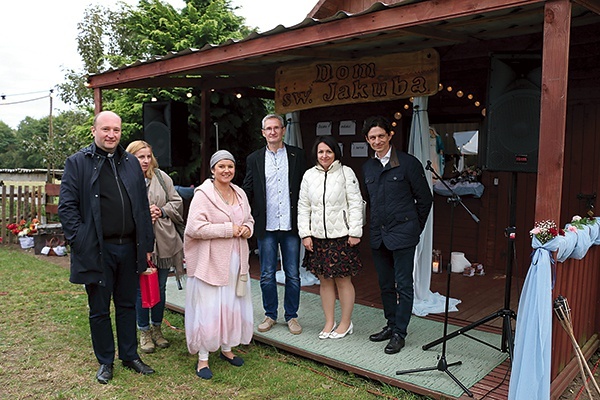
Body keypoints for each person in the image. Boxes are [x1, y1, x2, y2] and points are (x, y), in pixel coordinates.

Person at [58, 111, 156, 384]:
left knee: (126, 304)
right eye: (106, 129)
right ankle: (105, 361)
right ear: (94, 131)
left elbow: (141, 207)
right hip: (98, 249)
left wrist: (146, 244)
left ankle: (129, 355)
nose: (111, 134)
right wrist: (81, 240)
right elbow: (66, 208)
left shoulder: (130, 163)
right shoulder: (77, 163)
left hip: (129, 247)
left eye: (116, 130)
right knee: (99, 309)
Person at [361, 115, 433, 354]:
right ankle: (390, 326)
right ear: (367, 140)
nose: (377, 140)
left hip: (403, 234)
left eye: (381, 135)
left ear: (390, 135)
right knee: (385, 285)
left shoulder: (408, 163)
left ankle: (400, 333)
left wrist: (414, 228)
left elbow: (425, 199)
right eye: (372, 137)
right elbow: (368, 201)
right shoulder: (368, 167)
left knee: (404, 285)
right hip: (378, 235)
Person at [184, 150, 254, 380]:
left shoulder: (240, 192)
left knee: (232, 304)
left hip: (236, 260)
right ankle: (203, 358)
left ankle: (227, 348)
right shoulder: (203, 194)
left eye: (230, 166)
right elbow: (194, 228)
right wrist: (228, 229)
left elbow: (249, 219)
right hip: (212, 261)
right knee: (210, 307)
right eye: (221, 166)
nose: (226, 171)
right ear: (213, 170)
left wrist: (247, 229)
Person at [242, 114, 307, 335]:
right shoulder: (254, 158)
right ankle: (270, 315)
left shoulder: (297, 156)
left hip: (290, 226)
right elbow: (247, 190)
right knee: (267, 274)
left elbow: (304, 190)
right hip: (266, 226)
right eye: (268, 128)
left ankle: (292, 316)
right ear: (263, 132)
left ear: (283, 130)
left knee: (293, 274)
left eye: (276, 128)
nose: (272, 132)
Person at [298, 136, 363, 340]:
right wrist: (305, 233)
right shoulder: (309, 175)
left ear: (335, 153)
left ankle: (345, 322)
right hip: (317, 238)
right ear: (315, 154)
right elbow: (303, 206)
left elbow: (355, 203)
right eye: (320, 152)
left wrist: (355, 231)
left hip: (342, 237)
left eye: (328, 151)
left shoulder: (346, 173)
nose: (324, 155)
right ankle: (329, 321)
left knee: (343, 281)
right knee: (325, 281)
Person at [125, 140, 184, 354]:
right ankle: (144, 331)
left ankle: (157, 328)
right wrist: (141, 215)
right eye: (141, 157)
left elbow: (177, 202)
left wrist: (161, 210)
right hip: (138, 243)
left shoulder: (161, 176)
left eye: (149, 156)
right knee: (142, 289)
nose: (146, 161)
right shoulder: (124, 178)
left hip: (164, 242)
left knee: (159, 287)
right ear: (131, 157)